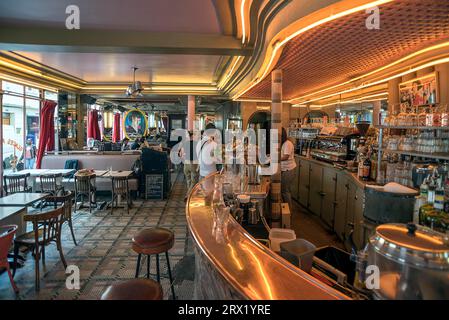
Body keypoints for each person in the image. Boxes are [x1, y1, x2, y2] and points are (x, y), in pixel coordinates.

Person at [180, 131, 199, 201]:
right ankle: (188, 195)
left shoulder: (184, 144)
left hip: (186, 164)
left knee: (188, 181)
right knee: (194, 182)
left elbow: (181, 155)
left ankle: (190, 196)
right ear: (193, 135)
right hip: (193, 164)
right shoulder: (197, 144)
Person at [280, 128, 296, 211]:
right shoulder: (283, 143)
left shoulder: (287, 144)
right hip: (284, 169)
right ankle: (285, 209)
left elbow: (285, 157)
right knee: (284, 190)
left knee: (285, 191)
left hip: (288, 170)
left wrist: (274, 158)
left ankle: (288, 211)